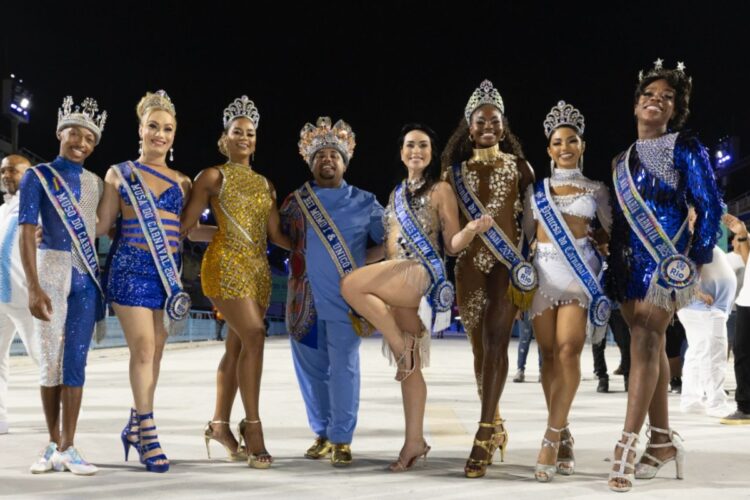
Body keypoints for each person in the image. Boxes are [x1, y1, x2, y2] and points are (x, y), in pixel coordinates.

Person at [342, 123, 491, 471]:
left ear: (431, 152)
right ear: (401, 152)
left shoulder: (440, 190)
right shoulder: (395, 195)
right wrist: (349, 260)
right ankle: (414, 442)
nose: (416, 151)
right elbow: (386, 247)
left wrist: (469, 230)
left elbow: (452, 244)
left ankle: (398, 344)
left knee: (351, 286)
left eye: (423, 145)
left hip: (421, 274)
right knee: (410, 372)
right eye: (410, 145)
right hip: (396, 277)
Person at [604, 60, 722, 492]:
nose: (657, 101)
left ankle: (625, 445)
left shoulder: (685, 146)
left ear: (675, 109)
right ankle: (661, 442)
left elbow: (708, 204)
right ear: (636, 105)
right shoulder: (621, 159)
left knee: (647, 339)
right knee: (644, 349)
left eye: (667, 97)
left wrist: (696, 258)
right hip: (628, 266)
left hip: (667, 261)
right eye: (649, 95)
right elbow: (618, 220)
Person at [181, 96, 290, 468]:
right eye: (236, 132)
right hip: (224, 266)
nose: (243, 137)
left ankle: (218, 425)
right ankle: (254, 426)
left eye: (250, 133)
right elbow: (188, 226)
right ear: (224, 139)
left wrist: (312, 245)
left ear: (256, 141)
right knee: (256, 335)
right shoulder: (212, 176)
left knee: (237, 348)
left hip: (259, 270)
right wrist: (221, 235)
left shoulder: (266, 185)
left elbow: (275, 234)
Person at [441, 79, 535, 478]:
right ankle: (494, 422)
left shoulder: (521, 167)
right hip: (469, 270)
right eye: (481, 122)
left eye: (495, 121)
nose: (488, 127)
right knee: (480, 352)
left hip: (506, 268)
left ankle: (482, 435)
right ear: (469, 125)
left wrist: (533, 262)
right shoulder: (453, 173)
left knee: (497, 344)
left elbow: (533, 221)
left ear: (504, 124)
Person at [280, 116, 385, 467]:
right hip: (303, 299)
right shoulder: (296, 201)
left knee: (344, 368)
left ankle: (342, 438)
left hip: (346, 302)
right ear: (310, 162)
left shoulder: (366, 201)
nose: (327, 159)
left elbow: (389, 242)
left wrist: (360, 270)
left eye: (333, 155)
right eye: (320, 155)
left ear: (345, 161)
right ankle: (322, 433)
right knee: (310, 371)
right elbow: (283, 238)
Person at [97, 90, 190, 473]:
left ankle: (136, 424)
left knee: (157, 354)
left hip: (165, 279)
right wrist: (54, 231)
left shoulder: (184, 182)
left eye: (167, 128)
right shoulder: (119, 173)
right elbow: (102, 225)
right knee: (144, 350)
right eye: (153, 126)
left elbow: (183, 232)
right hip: (130, 269)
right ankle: (149, 433)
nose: (160, 134)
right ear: (140, 129)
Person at [523, 101, 611, 481]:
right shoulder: (535, 191)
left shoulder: (597, 190)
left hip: (578, 275)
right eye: (557, 142)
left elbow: (611, 233)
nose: (564, 147)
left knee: (568, 350)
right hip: (544, 274)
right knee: (546, 356)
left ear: (582, 145)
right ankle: (565, 431)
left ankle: (551, 436)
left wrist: (607, 245)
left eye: (571, 140)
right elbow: (527, 233)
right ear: (549, 149)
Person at [19, 96, 107, 475]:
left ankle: (70, 446)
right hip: (50, 270)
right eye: (75, 134)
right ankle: (52, 443)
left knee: (76, 361)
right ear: (60, 133)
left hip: (85, 277)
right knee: (49, 364)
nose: (81, 143)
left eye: (89, 138)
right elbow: (26, 231)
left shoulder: (97, 183)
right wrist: (33, 288)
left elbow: (98, 226)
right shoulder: (36, 176)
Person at [0, 154, 41, 435]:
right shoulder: (3, 211)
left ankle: (64, 414)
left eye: (13, 170)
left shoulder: (36, 207)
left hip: (25, 297)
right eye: (3, 170)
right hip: (1, 298)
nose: (6, 175)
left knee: (42, 357)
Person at [678, 245, 736, 417]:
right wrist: (697, 293)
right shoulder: (693, 241)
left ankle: (691, 400)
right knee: (714, 355)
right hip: (706, 308)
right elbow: (682, 269)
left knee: (697, 353)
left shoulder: (698, 239)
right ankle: (716, 403)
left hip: (702, 308)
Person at [721, 213, 750, 424]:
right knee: (741, 353)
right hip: (746, 301)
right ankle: (745, 405)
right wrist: (741, 235)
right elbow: (746, 258)